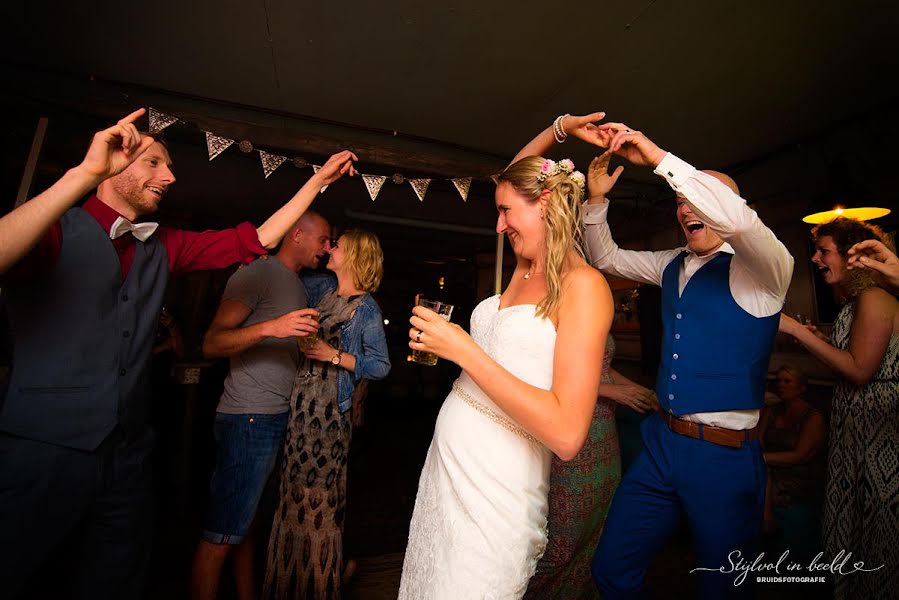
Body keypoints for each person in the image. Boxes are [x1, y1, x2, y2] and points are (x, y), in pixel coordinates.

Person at [0, 109, 357, 600]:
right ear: (112, 165)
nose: (169, 176)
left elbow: (256, 240)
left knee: (116, 577)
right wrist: (84, 174)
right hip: (44, 448)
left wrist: (317, 181)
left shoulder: (163, 245)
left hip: (126, 451)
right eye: (153, 163)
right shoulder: (58, 229)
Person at [398, 114, 614, 599]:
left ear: (549, 205)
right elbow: (515, 176)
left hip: (498, 494)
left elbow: (566, 434)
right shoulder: (524, 264)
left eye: (505, 212)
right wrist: (559, 129)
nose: (498, 226)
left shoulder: (584, 288)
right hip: (447, 478)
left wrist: (464, 351)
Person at [577, 116, 793, 599]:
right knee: (612, 568)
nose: (686, 208)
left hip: (723, 455)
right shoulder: (672, 262)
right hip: (661, 443)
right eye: (680, 200)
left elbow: (735, 219)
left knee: (721, 590)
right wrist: (595, 201)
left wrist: (656, 158)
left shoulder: (766, 272)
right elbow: (607, 258)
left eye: (700, 198)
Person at [525, 150, 655, 600]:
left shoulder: (587, 279)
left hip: (604, 437)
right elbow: (545, 369)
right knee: (561, 538)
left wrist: (626, 385)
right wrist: (614, 392)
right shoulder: (545, 281)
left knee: (596, 531)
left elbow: (593, 360)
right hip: (570, 433)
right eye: (575, 224)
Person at [191, 212, 333, 600]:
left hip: (274, 416)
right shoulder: (257, 274)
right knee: (222, 530)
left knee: (246, 524)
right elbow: (213, 343)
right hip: (247, 418)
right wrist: (273, 327)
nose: (326, 249)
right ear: (297, 235)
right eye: (322, 240)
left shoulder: (297, 284)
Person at [264, 229, 391, 600]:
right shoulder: (324, 291)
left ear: (354, 255)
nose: (330, 248)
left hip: (328, 417)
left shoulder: (367, 309)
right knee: (290, 498)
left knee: (319, 501)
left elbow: (381, 366)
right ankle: (289, 585)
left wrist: (332, 355)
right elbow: (290, 269)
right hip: (301, 407)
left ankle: (322, 584)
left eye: (337, 245)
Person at [778, 217, 898, 600]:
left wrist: (795, 332)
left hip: (878, 432)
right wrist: (823, 338)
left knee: (877, 532)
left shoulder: (876, 297)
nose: (815, 258)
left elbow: (861, 371)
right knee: (852, 531)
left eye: (823, 251)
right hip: (855, 431)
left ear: (852, 257)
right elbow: (858, 351)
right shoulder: (856, 301)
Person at [759, 365, 826, 562]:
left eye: (787, 381)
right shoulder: (771, 411)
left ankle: (770, 525)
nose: (781, 385)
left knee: (766, 478)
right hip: (768, 467)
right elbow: (759, 442)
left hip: (797, 473)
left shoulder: (813, 417)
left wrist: (763, 459)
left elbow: (801, 455)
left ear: (802, 387)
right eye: (778, 381)